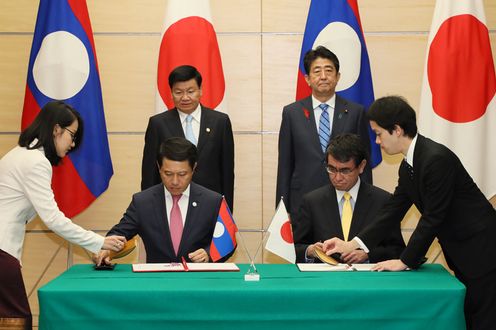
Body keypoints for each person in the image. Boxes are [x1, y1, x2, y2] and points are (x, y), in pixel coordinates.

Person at [323, 96, 496, 330]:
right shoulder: (409, 165)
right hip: (464, 252)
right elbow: (392, 211)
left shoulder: (435, 159)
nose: (377, 141)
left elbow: (432, 218)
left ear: (397, 130)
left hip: (483, 251)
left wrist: (404, 261)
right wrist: (353, 244)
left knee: (484, 319)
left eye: (379, 133)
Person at [0, 101, 126, 329]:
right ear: (56, 129)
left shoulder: (22, 154)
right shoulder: (36, 162)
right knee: (16, 320)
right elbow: (53, 219)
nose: (73, 143)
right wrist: (99, 242)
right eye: (72, 134)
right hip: (1, 251)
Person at [98, 137, 232, 265]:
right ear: (158, 167)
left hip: (198, 280)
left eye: (182, 174)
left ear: (194, 168)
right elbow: (119, 233)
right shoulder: (143, 202)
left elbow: (228, 242)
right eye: (168, 174)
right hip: (157, 282)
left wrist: (209, 253)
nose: (174, 181)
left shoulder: (212, 201)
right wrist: (105, 248)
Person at [276, 46, 372, 219]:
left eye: (329, 70)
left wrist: (367, 204)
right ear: (307, 79)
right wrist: (282, 209)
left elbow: (364, 162)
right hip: (302, 200)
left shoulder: (355, 112)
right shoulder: (292, 113)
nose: (323, 76)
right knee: (305, 246)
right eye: (317, 71)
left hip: (345, 198)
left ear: (338, 77)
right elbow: (285, 165)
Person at [293, 134, 404, 264]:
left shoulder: (382, 200)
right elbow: (294, 248)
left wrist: (368, 255)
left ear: (361, 166)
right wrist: (310, 250)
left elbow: (397, 250)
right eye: (331, 169)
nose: (337, 177)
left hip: (367, 280)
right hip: (325, 280)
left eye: (345, 171)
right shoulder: (312, 201)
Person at [141, 65, 235, 210]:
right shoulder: (158, 124)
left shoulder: (220, 122)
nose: (185, 97)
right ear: (171, 93)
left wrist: (226, 211)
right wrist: (148, 210)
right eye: (178, 92)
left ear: (200, 90)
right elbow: (149, 173)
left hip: (210, 203)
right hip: (170, 203)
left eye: (190, 91)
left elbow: (227, 172)